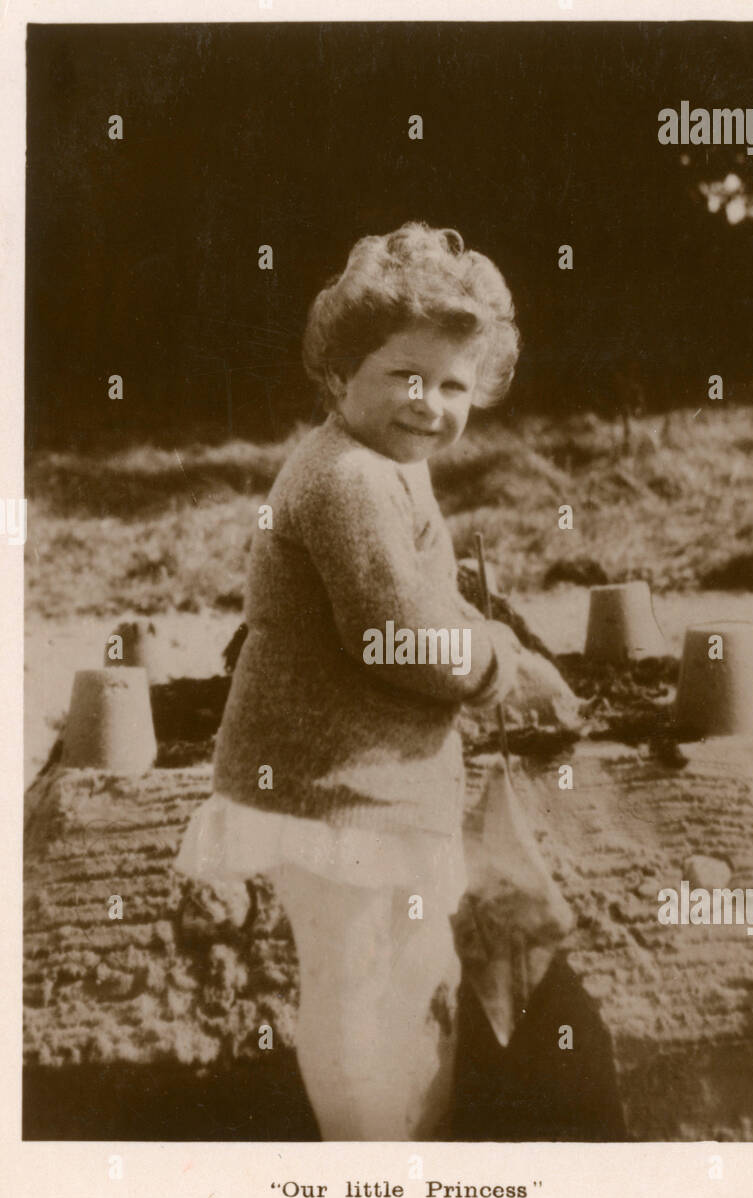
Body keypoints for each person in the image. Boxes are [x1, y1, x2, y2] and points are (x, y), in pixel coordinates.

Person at [175, 221, 578, 1139]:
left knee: (403, 971)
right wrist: (500, 669)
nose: (428, 404)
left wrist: (484, 640)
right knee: (360, 986)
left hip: (369, 782)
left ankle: (403, 1145)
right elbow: (396, 634)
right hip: (332, 789)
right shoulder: (348, 480)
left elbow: (423, 596)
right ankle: (365, 1170)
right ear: (337, 371)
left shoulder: (389, 465)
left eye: (452, 386)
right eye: (405, 375)